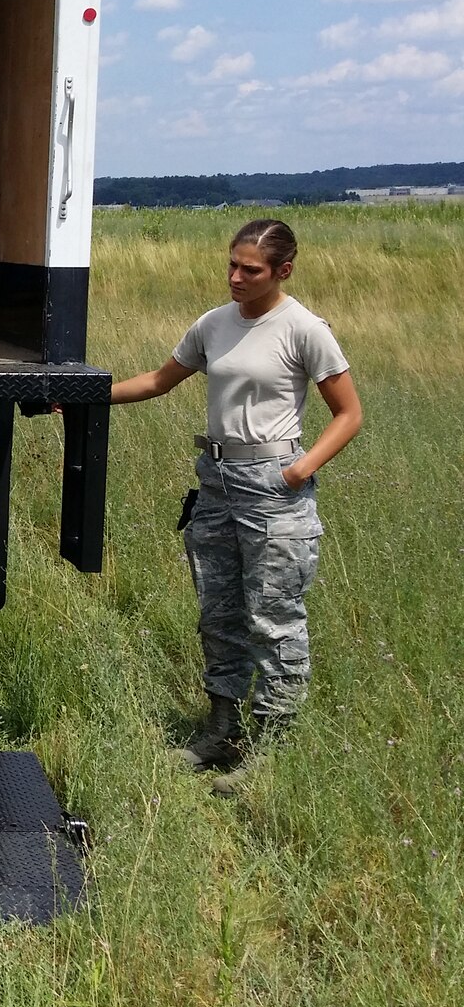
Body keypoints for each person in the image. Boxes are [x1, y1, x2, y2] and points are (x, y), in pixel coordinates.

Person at [110, 219, 362, 795]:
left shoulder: (303, 329)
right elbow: (157, 380)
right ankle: (221, 731)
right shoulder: (214, 323)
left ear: (283, 271)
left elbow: (349, 413)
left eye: (251, 269)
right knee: (219, 611)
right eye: (232, 265)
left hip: (274, 486)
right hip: (217, 482)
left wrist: (302, 467)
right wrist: (79, 396)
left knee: (273, 618)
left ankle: (269, 753)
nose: (236, 278)